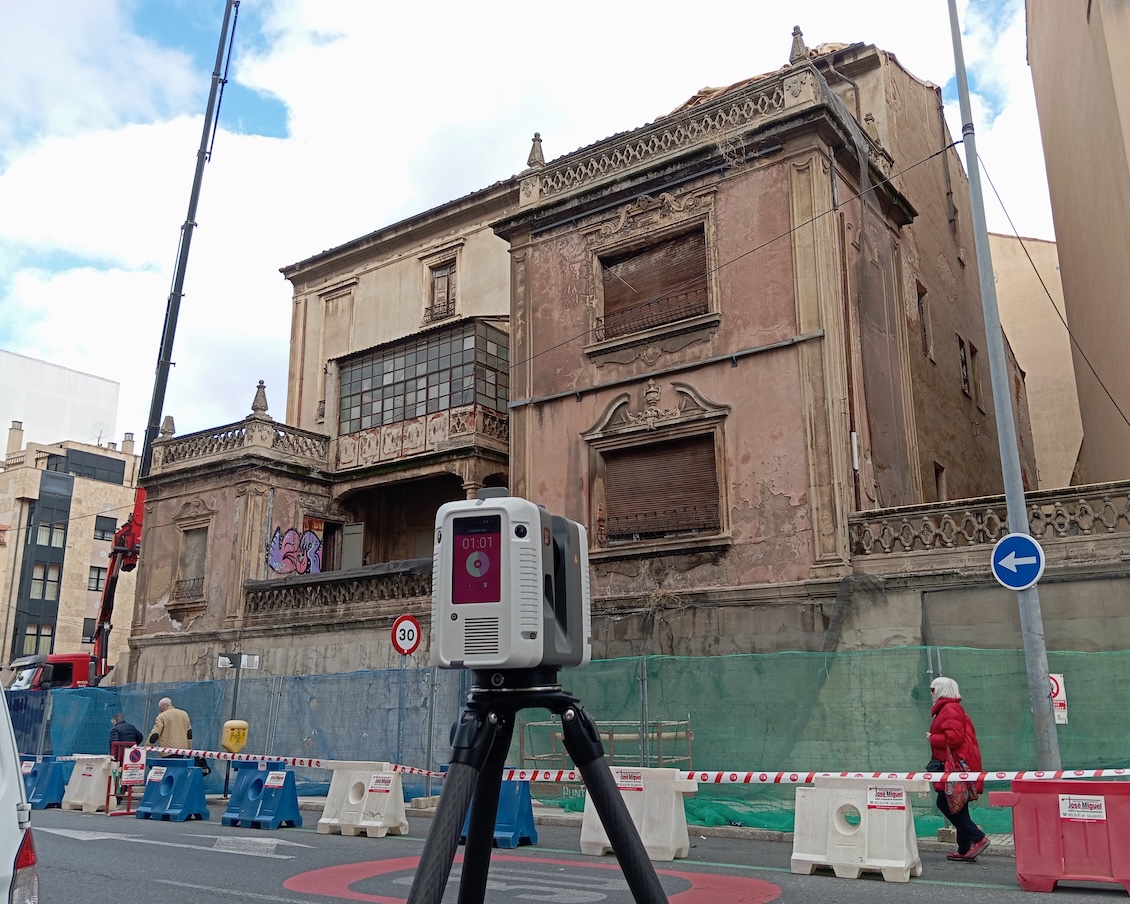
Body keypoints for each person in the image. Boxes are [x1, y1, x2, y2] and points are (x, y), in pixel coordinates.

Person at [927, 676, 989, 862]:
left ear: (940, 690)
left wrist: (931, 737)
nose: (931, 693)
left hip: (952, 766)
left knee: (946, 803)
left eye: (932, 689)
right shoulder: (952, 708)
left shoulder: (948, 709)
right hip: (959, 764)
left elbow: (954, 740)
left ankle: (977, 838)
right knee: (959, 806)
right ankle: (964, 849)